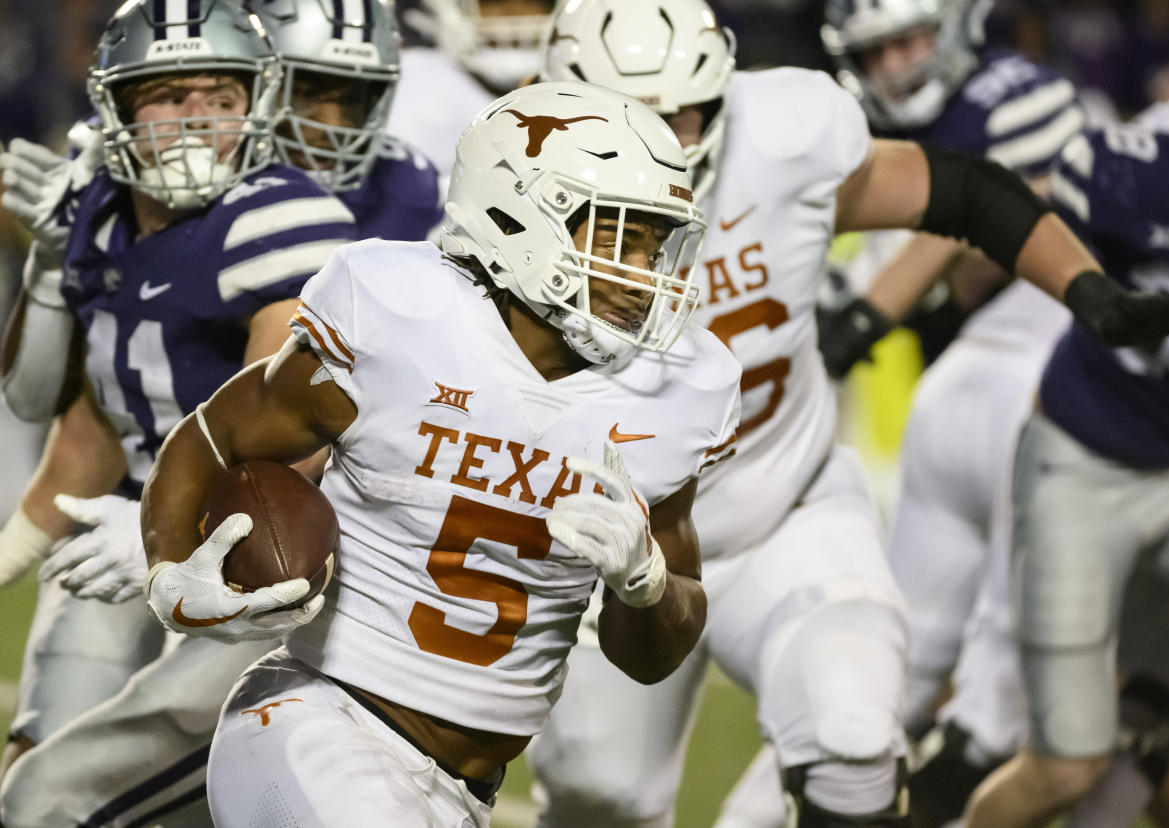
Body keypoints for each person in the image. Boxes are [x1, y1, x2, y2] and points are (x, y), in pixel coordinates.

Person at [524, 1, 1169, 826]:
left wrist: (1083, 288)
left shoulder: (780, 134)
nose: (674, 139)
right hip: (610, 548)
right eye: (643, 116)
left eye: (688, 110)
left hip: (786, 507)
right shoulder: (516, 196)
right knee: (598, 794)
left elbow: (960, 193)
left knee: (854, 734)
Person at [138, 78, 742, 827]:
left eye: (657, 244)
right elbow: (213, 436)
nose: (644, 276)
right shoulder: (401, 318)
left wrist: (645, 584)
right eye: (621, 236)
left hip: (465, 793)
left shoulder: (678, 391)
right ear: (521, 214)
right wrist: (168, 567)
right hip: (320, 724)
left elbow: (649, 657)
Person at [0, 1, 445, 825]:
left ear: (255, 101)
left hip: (241, 529)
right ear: (118, 108)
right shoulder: (97, 203)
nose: (194, 122)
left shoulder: (286, 215)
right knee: (37, 765)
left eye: (218, 96)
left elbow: (285, 436)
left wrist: (170, 544)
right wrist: (47, 266)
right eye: (167, 97)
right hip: (117, 516)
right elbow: (79, 423)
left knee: (105, 794)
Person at [807, 1, 1169, 825]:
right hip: (1061, 424)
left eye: (906, 42)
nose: (892, 66)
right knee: (1093, 708)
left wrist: (862, 315)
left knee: (1118, 702)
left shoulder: (1014, 97)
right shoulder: (880, 136)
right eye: (874, 51)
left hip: (1062, 404)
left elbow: (1007, 205)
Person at [961, 34, 1169, 828]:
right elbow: (999, 207)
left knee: (1168, 702)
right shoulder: (1124, 174)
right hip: (1079, 471)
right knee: (1066, 766)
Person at [388, 0, 555, 177]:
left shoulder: (577, 78)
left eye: (534, 2)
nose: (517, 14)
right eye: (494, 3)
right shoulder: (413, 83)